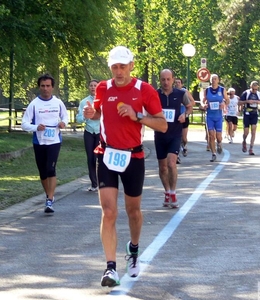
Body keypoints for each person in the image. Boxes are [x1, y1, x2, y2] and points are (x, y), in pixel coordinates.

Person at [83, 46, 167, 288]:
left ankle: (133, 249)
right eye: (114, 67)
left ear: (131, 65)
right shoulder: (103, 88)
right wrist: (92, 113)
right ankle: (110, 268)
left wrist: (137, 116)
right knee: (109, 212)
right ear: (110, 67)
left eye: (122, 66)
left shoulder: (145, 90)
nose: (118, 71)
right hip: (107, 154)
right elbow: (100, 114)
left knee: (133, 212)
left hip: (134, 157)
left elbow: (162, 125)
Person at [21, 73, 69, 213]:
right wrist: (36, 127)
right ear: (39, 87)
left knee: (50, 169)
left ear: (52, 87)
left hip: (54, 141)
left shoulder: (58, 103)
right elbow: (24, 124)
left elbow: (65, 117)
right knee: (42, 172)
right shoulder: (34, 104)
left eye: (48, 86)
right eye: (43, 86)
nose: (45, 89)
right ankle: (48, 195)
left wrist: (63, 123)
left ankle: (49, 199)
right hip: (39, 141)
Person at [156, 70, 193, 208]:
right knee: (163, 166)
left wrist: (185, 115)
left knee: (171, 163)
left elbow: (189, 107)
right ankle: (166, 191)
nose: (166, 82)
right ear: (160, 80)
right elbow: (148, 109)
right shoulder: (155, 94)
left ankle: (173, 192)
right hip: (160, 134)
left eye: (168, 79)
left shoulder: (180, 94)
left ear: (173, 80)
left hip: (175, 134)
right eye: (163, 79)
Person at [76, 79, 100, 192]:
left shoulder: (103, 100)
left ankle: (103, 182)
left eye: (95, 85)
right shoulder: (83, 102)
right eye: (91, 85)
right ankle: (94, 184)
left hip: (100, 132)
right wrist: (85, 116)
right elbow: (79, 118)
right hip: (89, 132)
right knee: (90, 158)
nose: (93, 87)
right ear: (88, 87)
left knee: (100, 158)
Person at [201, 74, 229, 162]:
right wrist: (203, 105)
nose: (213, 80)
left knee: (218, 136)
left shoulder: (222, 89)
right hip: (209, 116)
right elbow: (203, 100)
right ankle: (213, 154)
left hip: (218, 116)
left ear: (218, 80)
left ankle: (220, 143)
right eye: (212, 79)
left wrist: (224, 103)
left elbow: (227, 100)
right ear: (210, 80)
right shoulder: (207, 90)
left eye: (215, 79)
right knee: (211, 135)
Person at [239, 81, 260, 155]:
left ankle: (251, 148)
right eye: (253, 89)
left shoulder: (259, 94)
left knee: (253, 130)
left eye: (256, 89)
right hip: (247, 113)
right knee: (246, 132)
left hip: (254, 113)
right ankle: (244, 141)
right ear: (250, 87)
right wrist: (247, 101)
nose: (254, 91)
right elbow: (239, 102)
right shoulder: (246, 93)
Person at [174, 78, 195, 158]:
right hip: (176, 117)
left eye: (179, 82)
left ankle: (185, 146)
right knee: (177, 136)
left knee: (184, 137)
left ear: (182, 84)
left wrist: (185, 104)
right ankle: (177, 155)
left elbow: (193, 102)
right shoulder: (172, 92)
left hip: (184, 116)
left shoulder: (185, 92)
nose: (177, 84)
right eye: (176, 82)